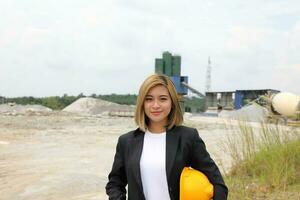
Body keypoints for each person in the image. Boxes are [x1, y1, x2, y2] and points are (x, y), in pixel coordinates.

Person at [106, 74, 228, 200]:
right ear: (142, 103)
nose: (155, 105)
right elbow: (115, 183)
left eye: (163, 99)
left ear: (172, 102)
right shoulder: (126, 142)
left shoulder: (188, 138)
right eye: (149, 99)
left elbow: (217, 182)